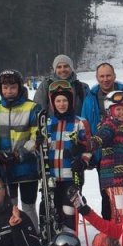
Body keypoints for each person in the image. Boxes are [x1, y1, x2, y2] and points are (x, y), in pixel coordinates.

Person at [0, 69, 42, 229]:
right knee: (9, 206)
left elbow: (37, 137)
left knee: (28, 206)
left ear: (20, 87)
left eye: (13, 87)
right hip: (4, 168)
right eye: (5, 88)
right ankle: (11, 237)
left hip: (27, 168)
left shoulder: (32, 108)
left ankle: (32, 235)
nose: (9, 91)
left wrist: (18, 155)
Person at [41, 80, 92, 232]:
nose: (61, 104)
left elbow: (89, 148)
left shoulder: (80, 122)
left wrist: (83, 162)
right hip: (52, 177)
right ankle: (55, 241)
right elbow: (42, 151)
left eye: (65, 100)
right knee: (54, 210)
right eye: (58, 101)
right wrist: (38, 143)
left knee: (69, 210)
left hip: (71, 175)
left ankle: (70, 240)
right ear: (52, 103)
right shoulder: (47, 124)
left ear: (70, 102)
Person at [91, 90, 123, 220]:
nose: (122, 112)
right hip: (115, 179)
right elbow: (104, 134)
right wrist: (96, 141)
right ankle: (119, 232)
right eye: (118, 109)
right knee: (121, 214)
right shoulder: (110, 125)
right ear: (110, 111)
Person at [81, 62, 123, 135]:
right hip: (98, 140)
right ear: (97, 78)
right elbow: (84, 125)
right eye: (102, 76)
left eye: (108, 76)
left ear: (114, 76)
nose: (105, 79)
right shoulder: (90, 99)